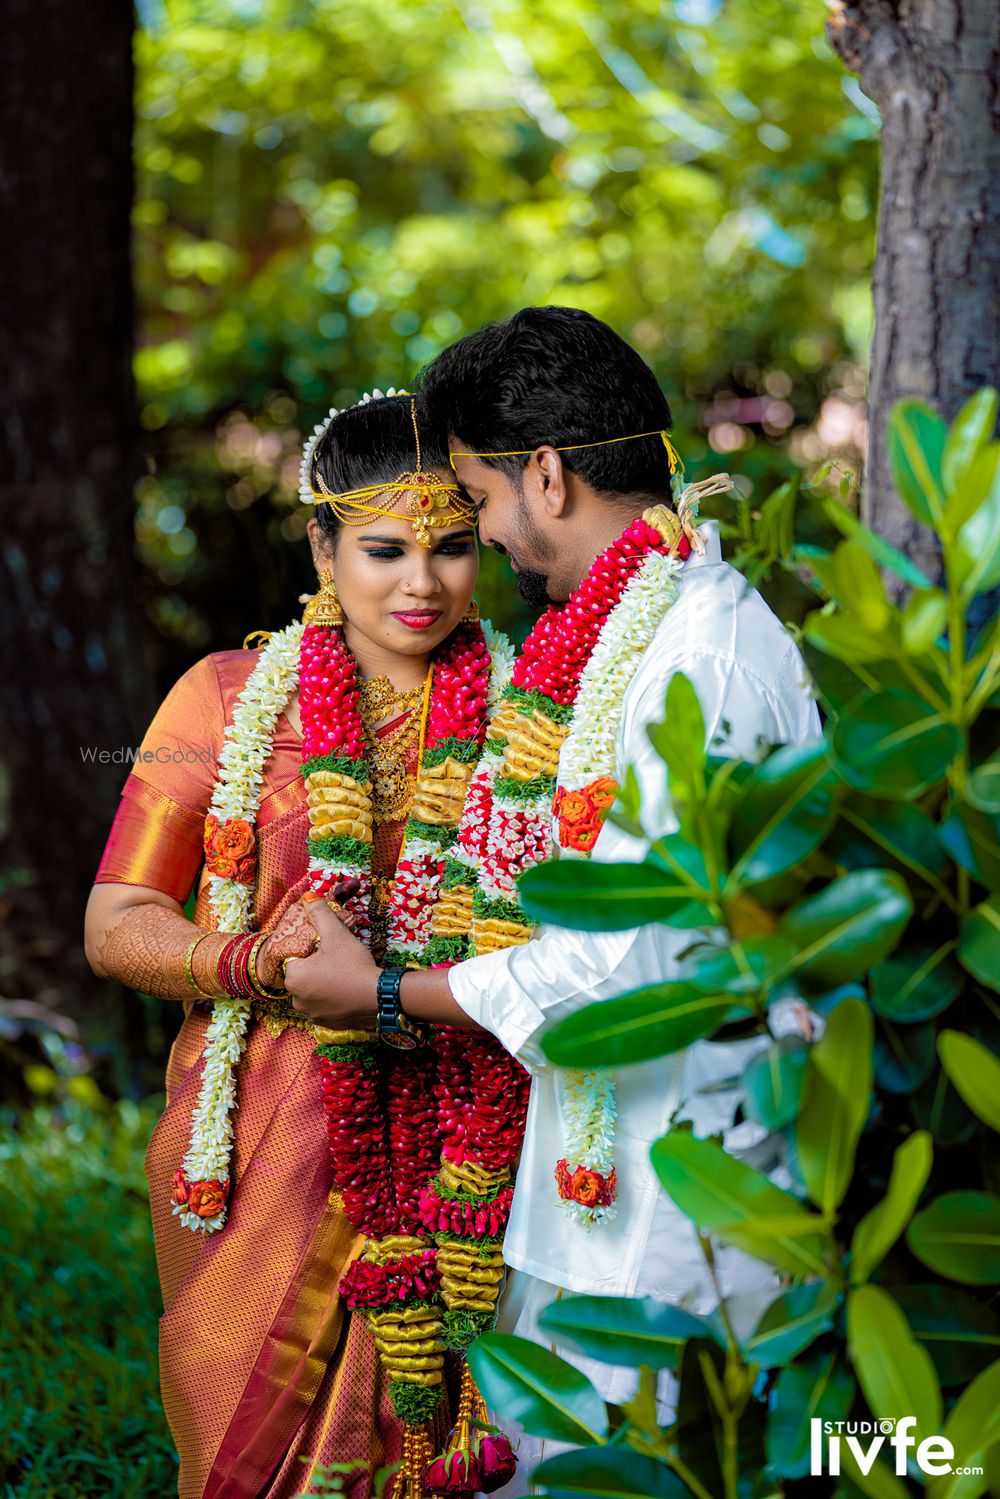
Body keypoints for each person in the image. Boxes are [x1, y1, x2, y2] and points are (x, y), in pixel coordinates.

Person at [281, 307, 823, 1483]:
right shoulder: (633, 631)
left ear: (543, 474)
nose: (481, 537)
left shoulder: (700, 658)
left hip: (681, 1185)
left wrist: (380, 990)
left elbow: (635, 957)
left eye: (475, 500)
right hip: (598, 1163)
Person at [84, 392, 522, 1499]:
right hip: (255, 1133)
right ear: (321, 543)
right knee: (241, 1444)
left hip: (464, 1116)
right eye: (382, 548)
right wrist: (248, 964)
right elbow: (115, 919)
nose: (420, 584)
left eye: (453, 547)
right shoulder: (228, 699)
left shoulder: (534, 713)